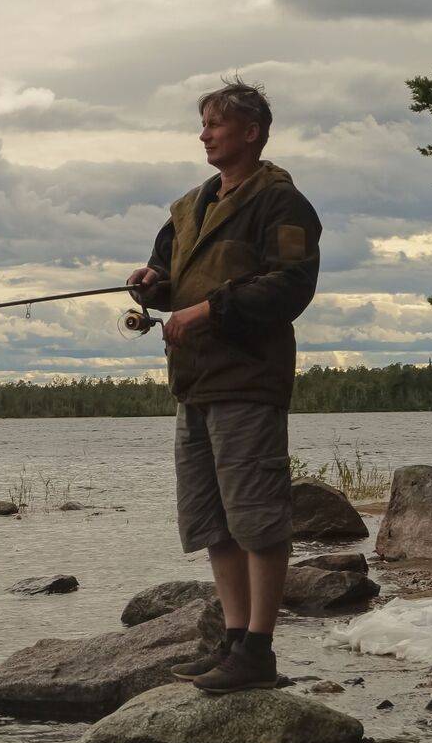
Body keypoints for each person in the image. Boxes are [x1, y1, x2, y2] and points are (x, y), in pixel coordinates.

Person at [127, 78, 321, 693]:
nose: (204, 135)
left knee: (257, 519)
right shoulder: (189, 207)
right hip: (194, 384)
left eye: (215, 124)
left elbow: (291, 286)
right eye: (204, 124)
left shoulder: (282, 203)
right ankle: (234, 642)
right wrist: (152, 285)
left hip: (248, 381)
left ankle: (258, 651)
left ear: (252, 132)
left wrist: (207, 311)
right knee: (212, 522)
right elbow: (167, 274)